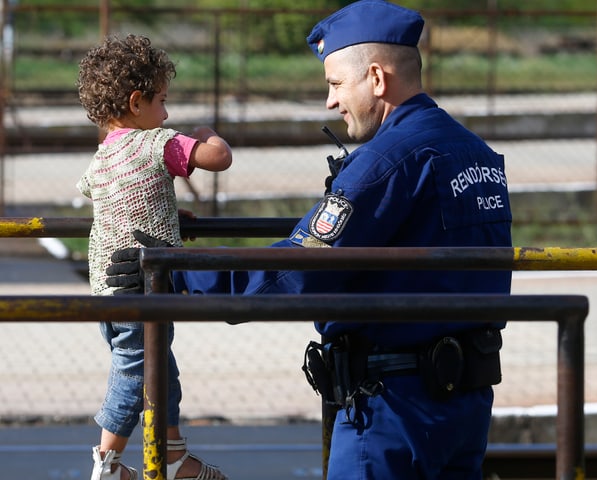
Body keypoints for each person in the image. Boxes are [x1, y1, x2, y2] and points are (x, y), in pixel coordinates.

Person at [107, 1, 512, 478]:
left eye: (336, 84)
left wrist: (174, 273)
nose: (331, 102)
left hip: (393, 411)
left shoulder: (387, 162)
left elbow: (303, 268)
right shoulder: (475, 153)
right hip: (464, 406)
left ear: (377, 79)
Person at [76, 34, 232, 480]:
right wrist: (204, 134)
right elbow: (219, 158)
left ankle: (172, 452)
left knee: (163, 371)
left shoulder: (102, 158)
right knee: (136, 374)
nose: (166, 113)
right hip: (140, 288)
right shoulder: (157, 142)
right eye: (161, 101)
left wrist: (164, 210)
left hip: (108, 287)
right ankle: (106, 463)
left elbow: (106, 198)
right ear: (136, 101)